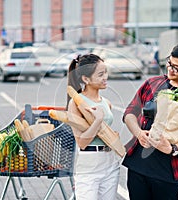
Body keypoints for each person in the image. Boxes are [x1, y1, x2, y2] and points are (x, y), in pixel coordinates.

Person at [122, 39, 178, 200]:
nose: (170, 69)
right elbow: (130, 112)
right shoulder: (152, 83)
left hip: (167, 172)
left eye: (176, 68)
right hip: (137, 166)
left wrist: (173, 148)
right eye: (169, 63)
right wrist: (138, 133)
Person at [66, 54, 121, 200]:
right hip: (89, 163)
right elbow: (82, 142)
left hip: (110, 161)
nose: (105, 77)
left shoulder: (106, 102)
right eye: (100, 74)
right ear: (86, 79)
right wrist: (97, 121)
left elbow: (104, 133)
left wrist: (113, 137)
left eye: (106, 72)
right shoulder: (76, 103)